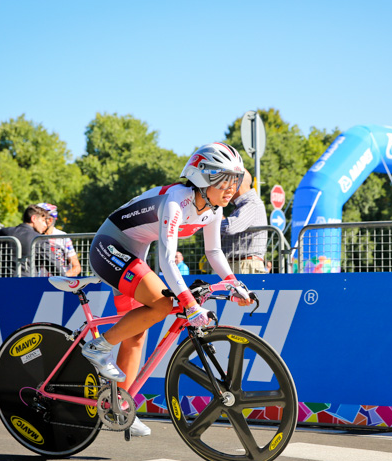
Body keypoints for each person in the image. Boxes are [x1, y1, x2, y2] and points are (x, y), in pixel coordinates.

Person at [82, 142, 254, 437]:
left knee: (136, 334)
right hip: (109, 247)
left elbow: (214, 253)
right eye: (225, 179)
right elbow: (166, 259)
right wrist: (189, 303)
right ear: (203, 177)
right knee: (164, 304)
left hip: (133, 254)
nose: (231, 188)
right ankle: (98, 348)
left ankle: (118, 406)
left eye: (235, 180)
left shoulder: (213, 210)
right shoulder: (177, 200)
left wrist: (235, 284)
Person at [0, 205, 64, 277]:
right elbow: (53, 265)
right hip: (27, 282)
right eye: (43, 220)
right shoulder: (39, 239)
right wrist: (66, 281)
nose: (45, 225)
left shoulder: (5, 232)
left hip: (3, 281)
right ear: (33, 218)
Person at [220, 169, 268, 274]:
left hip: (245, 266)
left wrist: (210, 221)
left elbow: (229, 227)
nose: (225, 189)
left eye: (228, 184)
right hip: (242, 265)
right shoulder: (244, 206)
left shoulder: (252, 204)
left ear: (237, 184)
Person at [36, 203, 81, 277]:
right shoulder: (35, 237)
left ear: (50, 220)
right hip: (41, 283)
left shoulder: (63, 237)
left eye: (41, 219)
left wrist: (63, 277)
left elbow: (77, 267)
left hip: (60, 283)